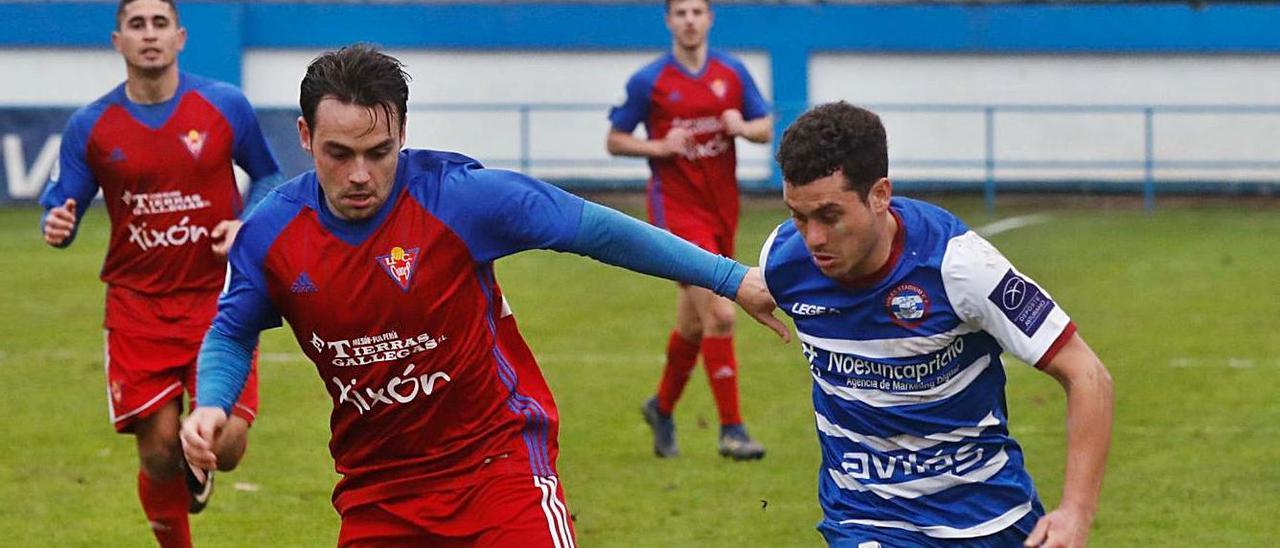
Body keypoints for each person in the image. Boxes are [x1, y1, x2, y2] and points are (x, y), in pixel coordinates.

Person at [179, 44, 786, 547]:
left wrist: (732, 279)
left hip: (496, 470)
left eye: (378, 152)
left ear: (403, 133)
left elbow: (595, 229)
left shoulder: (459, 199)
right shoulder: (271, 235)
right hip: (377, 492)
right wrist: (211, 403)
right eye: (340, 154)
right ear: (306, 137)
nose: (360, 174)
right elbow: (233, 330)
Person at [760, 102, 1113, 547]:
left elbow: (1087, 373)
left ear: (880, 195)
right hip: (866, 520)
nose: (813, 238)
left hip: (989, 520)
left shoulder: (960, 266)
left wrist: (1076, 514)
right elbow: (757, 283)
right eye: (798, 215)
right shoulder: (784, 260)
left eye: (830, 216)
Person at [38, 0, 283, 546]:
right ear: (117, 40)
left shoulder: (224, 106)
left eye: (159, 24)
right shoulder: (93, 125)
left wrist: (245, 223)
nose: (149, 35)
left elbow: (269, 176)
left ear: (180, 37)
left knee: (228, 447)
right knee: (159, 449)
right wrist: (57, 220)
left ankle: (202, 469)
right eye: (136, 25)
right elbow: (61, 199)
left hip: (217, 301)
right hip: (137, 306)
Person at [606, 0, 774, 460]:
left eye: (697, 11)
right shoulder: (650, 81)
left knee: (694, 322)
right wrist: (659, 144)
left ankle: (661, 408)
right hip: (675, 211)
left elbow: (765, 127)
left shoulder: (732, 73)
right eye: (681, 13)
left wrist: (744, 126)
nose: (690, 20)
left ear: (710, 18)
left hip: (722, 208)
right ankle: (732, 430)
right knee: (722, 312)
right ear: (668, 21)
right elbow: (615, 139)